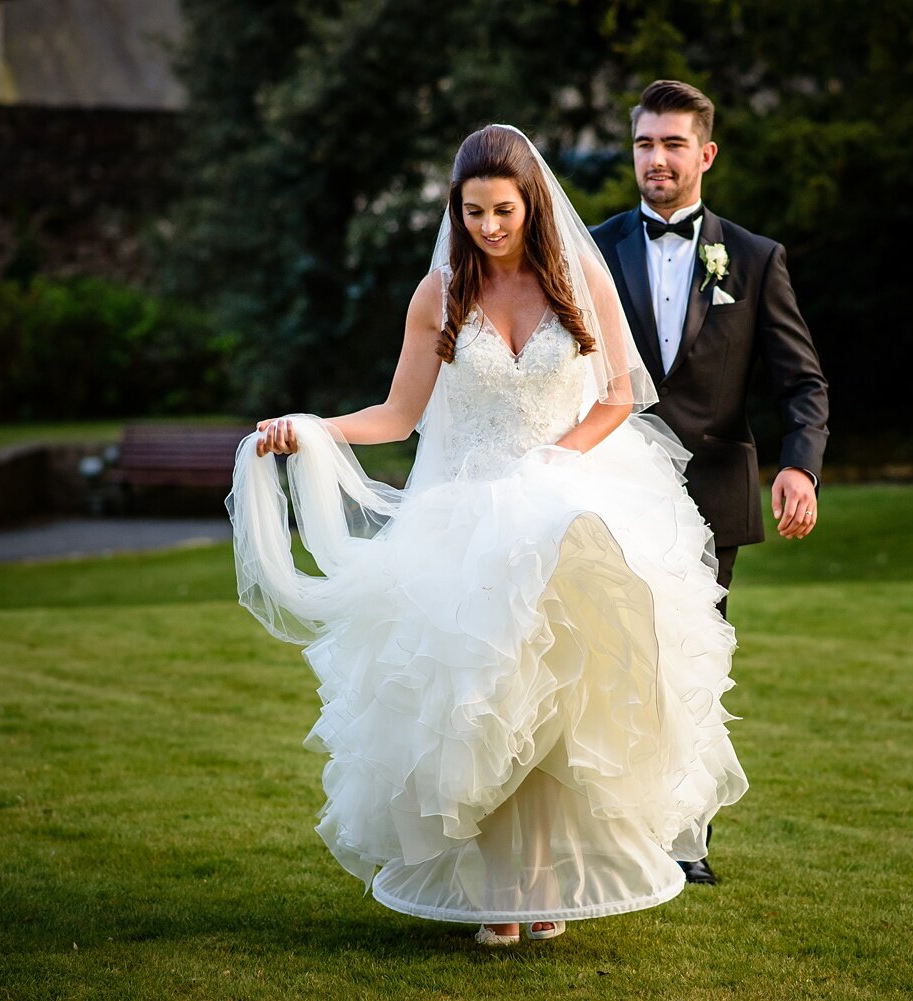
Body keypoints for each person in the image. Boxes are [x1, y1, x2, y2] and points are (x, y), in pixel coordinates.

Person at [227, 125, 747, 947]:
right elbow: (399, 414)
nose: (489, 228)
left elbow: (618, 394)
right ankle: (493, 897)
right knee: (482, 700)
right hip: (462, 516)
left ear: (531, 203)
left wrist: (557, 458)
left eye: (503, 211)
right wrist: (311, 427)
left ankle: (543, 889)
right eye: (473, 213)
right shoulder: (438, 294)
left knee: (556, 697)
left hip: (561, 499)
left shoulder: (579, 281)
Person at [590, 80, 830, 885]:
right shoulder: (590, 249)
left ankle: (685, 839)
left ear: (706, 153)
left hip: (712, 495)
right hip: (611, 493)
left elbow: (802, 381)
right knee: (611, 660)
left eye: (672, 144)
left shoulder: (755, 259)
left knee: (692, 663)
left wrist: (800, 462)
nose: (656, 160)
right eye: (644, 144)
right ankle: (611, 830)